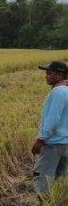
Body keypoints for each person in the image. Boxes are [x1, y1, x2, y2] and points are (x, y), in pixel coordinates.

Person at [31, 60, 68, 198]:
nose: (46, 75)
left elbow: (53, 120)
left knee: (42, 178)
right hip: (65, 143)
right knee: (61, 179)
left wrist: (41, 140)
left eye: (49, 73)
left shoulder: (58, 92)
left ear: (59, 75)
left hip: (53, 143)